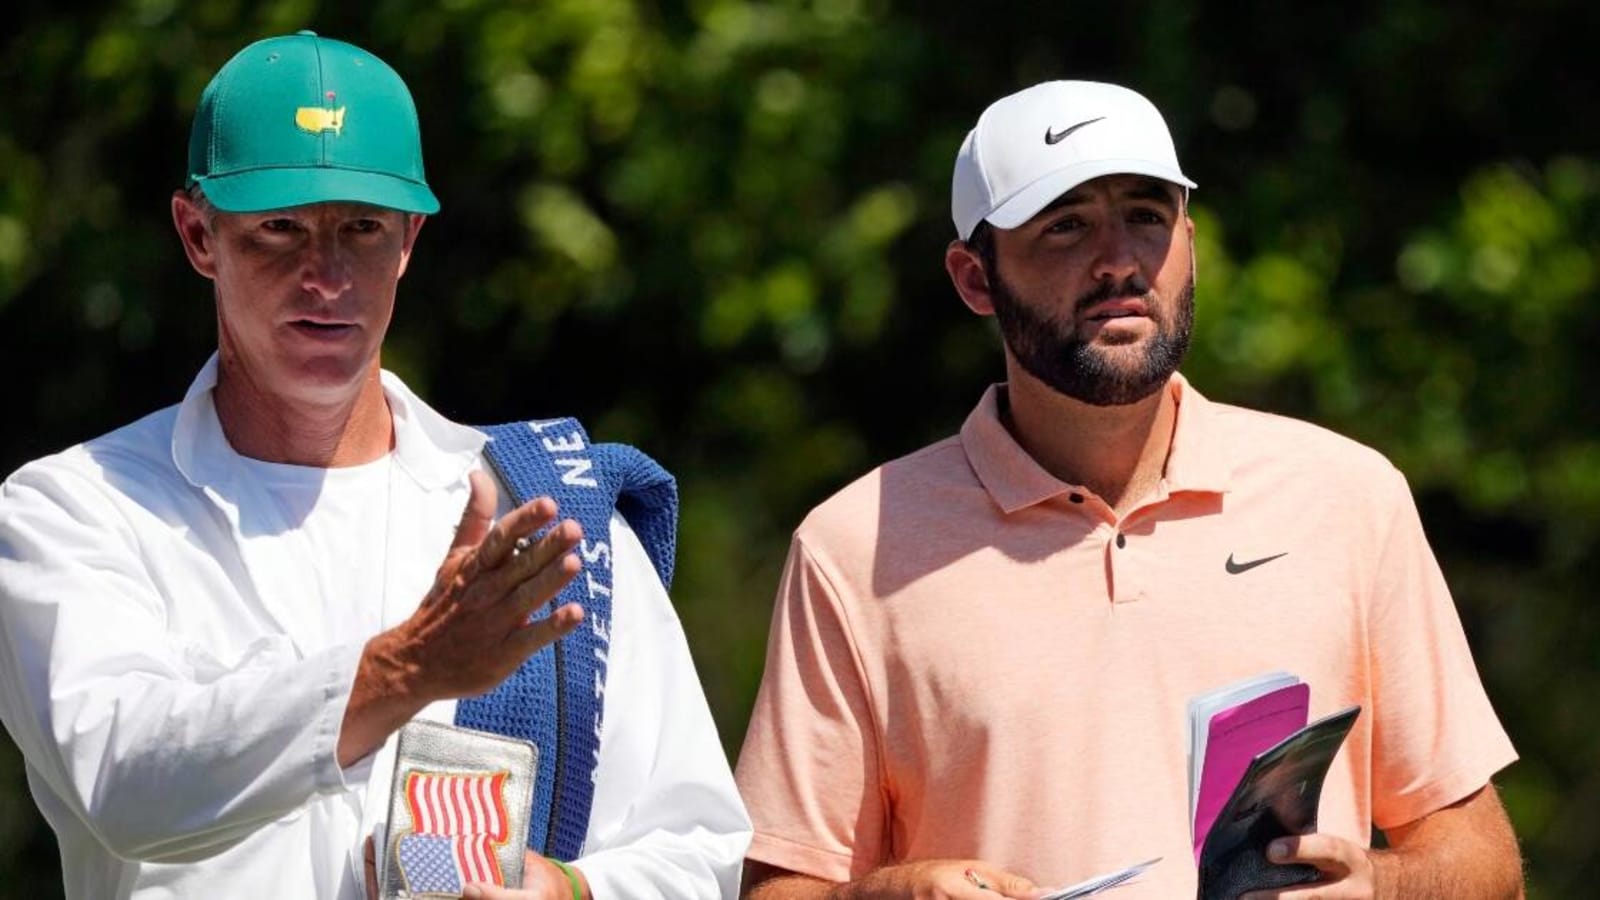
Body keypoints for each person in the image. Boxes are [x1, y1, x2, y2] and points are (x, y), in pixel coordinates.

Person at [0, 31, 749, 900]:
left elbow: (699, 849)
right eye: (280, 229)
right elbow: (120, 781)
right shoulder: (75, 508)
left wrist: (570, 891)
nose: (325, 276)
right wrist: (407, 671)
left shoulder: (543, 511)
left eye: (361, 228)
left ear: (409, 240)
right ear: (198, 234)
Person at [733, 80, 1522, 899]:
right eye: (1066, 225)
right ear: (975, 278)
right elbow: (780, 886)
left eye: (1147, 216)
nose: (1117, 260)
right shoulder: (853, 547)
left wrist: (1382, 887)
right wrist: (884, 896)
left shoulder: (1350, 497)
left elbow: (1481, 858)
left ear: (1192, 241)